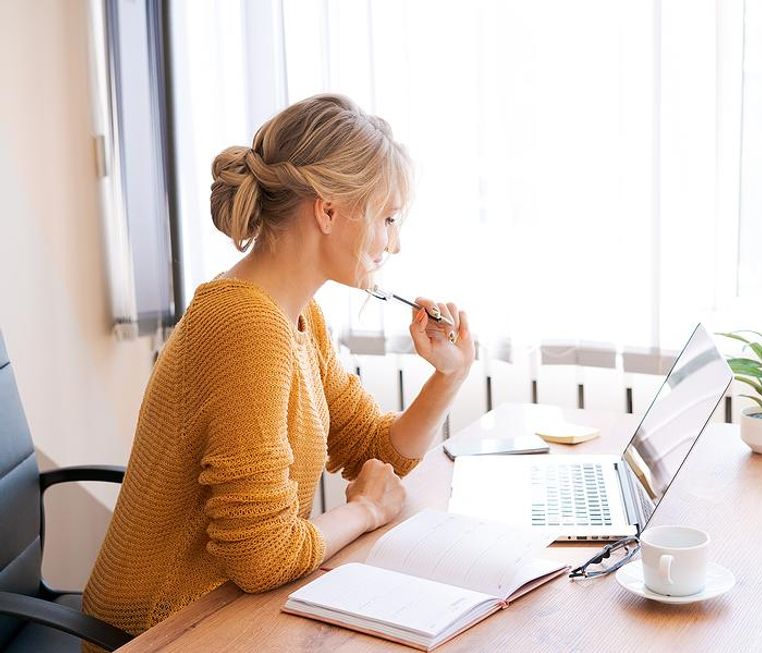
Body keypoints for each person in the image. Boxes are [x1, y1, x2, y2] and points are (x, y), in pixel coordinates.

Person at [81, 93, 475, 647]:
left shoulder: (296, 316)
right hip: (160, 629)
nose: (395, 242)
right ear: (329, 209)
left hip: (228, 612)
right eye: (387, 219)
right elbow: (262, 558)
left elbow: (375, 448)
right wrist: (363, 510)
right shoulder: (242, 324)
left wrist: (449, 375)